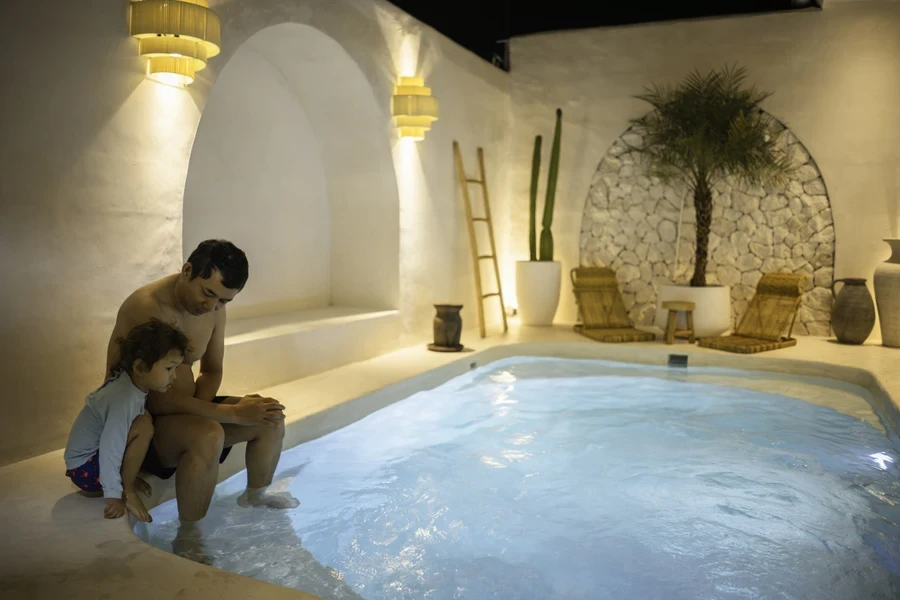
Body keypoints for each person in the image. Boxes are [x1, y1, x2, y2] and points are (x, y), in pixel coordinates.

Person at [104, 239, 298, 560]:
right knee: (209, 435)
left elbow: (211, 370)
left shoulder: (214, 309)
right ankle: (189, 538)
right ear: (187, 271)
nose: (211, 307)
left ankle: (255, 496)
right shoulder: (147, 308)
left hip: (180, 412)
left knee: (269, 416)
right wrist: (227, 414)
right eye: (208, 294)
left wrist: (207, 411)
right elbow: (157, 402)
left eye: (223, 302)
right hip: (139, 426)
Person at [65, 318, 188, 523]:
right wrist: (115, 494)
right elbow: (111, 445)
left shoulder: (132, 386)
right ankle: (127, 489)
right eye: (169, 368)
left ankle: (123, 480)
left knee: (144, 419)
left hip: (88, 464)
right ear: (140, 367)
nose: (174, 376)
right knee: (144, 426)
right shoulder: (124, 397)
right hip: (84, 469)